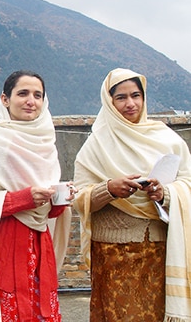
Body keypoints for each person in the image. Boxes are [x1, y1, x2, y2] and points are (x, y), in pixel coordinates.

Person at [73, 67, 191, 321]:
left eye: (136, 95)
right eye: (121, 97)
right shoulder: (96, 144)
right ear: (109, 100)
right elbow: (79, 197)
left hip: (159, 250)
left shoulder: (166, 139)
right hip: (112, 252)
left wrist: (165, 193)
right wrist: (109, 189)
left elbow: (187, 182)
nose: (130, 104)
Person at [0, 70, 73, 321]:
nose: (31, 101)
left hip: (40, 245)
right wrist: (24, 198)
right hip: (3, 241)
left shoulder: (46, 142)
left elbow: (46, 211)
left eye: (37, 95)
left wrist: (59, 201)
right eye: (23, 93)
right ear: (5, 99)